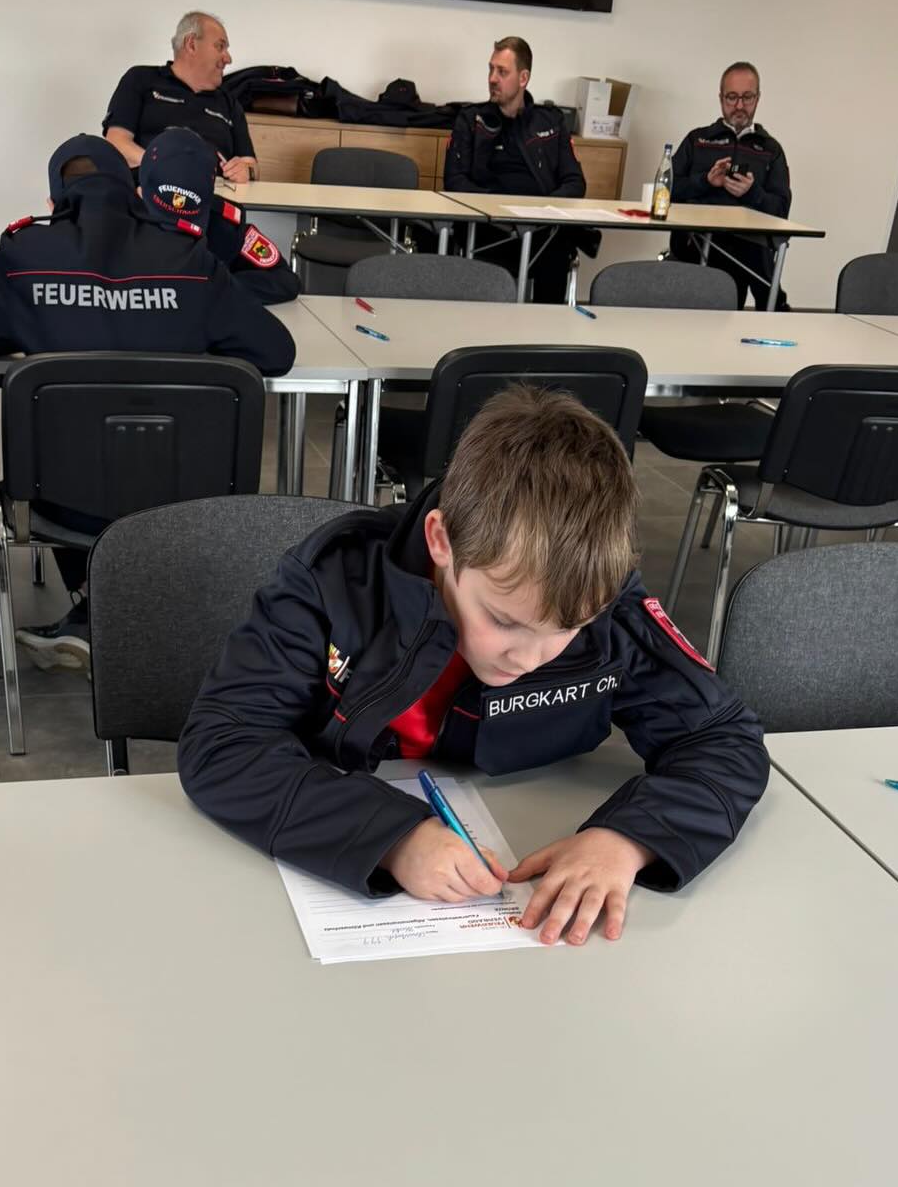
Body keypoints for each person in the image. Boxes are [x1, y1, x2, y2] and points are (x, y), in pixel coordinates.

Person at [179, 386, 769, 945]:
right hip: (318, 868)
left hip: (517, 845)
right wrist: (391, 838)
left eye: (568, 629)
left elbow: (723, 735)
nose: (530, 656)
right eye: (504, 621)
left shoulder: (608, 606)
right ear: (442, 541)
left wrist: (628, 839)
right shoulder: (332, 582)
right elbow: (223, 741)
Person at [0, 134, 295, 671]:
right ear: (134, 192)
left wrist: (35, 321)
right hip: (185, 495)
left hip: (57, 498)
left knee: (70, 451)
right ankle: (135, 622)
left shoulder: (24, 255)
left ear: (54, 199)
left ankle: (96, 614)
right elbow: (276, 352)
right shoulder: (188, 256)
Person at [443, 36, 590, 305]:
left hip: (541, 230)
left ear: (523, 78)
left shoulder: (551, 122)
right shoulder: (471, 119)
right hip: (488, 227)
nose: (492, 79)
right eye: (491, 69)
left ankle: (544, 328)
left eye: (502, 72)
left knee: (559, 245)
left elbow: (575, 182)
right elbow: (454, 180)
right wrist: (496, 207)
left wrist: (544, 210)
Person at [666, 61, 792, 309]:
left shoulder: (771, 149)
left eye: (747, 97)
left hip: (747, 248)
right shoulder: (697, 140)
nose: (739, 106)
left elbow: (781, 211)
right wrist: (705, 181)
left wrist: (752, 193)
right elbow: (665, 190)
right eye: (732, 97)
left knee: (758, 261)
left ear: (758, 98)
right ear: (721, 98)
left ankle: (773, 313)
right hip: (695, 243)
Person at [136, 127, 298, 303]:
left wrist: (212, 286)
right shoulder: (120, 220)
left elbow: (285, 280)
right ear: (139, 192)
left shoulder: (224, 225)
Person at [103, 12, 258, 181]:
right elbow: (116, 143)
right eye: (220, 47)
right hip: (150, 187)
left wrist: (246, 171)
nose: (228, 58)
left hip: (213, 192)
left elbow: (252, 166)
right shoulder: (140, 79)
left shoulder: (229, 103)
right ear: (191, 44)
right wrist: (165, 167)